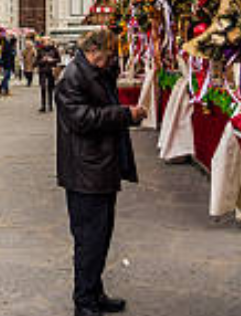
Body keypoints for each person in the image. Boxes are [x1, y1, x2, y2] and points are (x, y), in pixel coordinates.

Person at [55, 28, 146, 316]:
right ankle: (84, 303)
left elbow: (104, 92)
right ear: (94, 51)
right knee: (89, 239)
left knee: (101, 236)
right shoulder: (72, 78)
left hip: (99, 167)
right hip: (85, 171)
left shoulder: (95, 71)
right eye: (107, 55)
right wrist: (125, 114)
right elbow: (82, 119)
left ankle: (95, 293)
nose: (110, 61)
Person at [36, 40, 60, 112]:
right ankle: (43, 106)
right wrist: (43, 60)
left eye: (48, 41)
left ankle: (50, 105)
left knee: (50, 88)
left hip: (51, 71)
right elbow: (36, 61)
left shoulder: (54, 50)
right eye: (45, 42)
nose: (47, 43)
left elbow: (59, 60)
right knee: (43, 88)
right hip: (42, 71)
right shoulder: (40, 50)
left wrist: (52, 60)